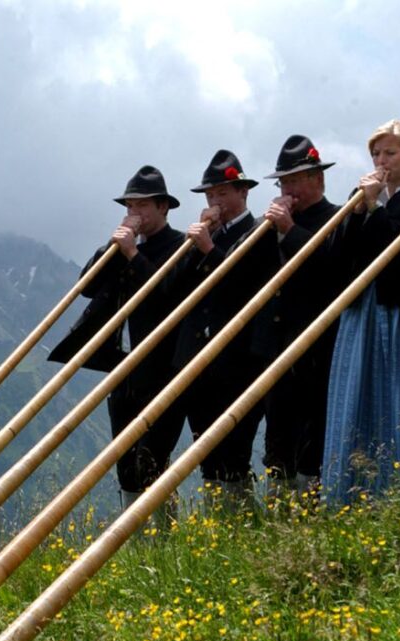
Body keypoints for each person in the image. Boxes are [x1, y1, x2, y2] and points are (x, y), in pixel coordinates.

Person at [48, 165, 187, 508]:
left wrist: (133, 254)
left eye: (141, 206)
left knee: (152, 459)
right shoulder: (122, 249)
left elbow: (165, 295)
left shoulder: (180, 246)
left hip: (162, 369)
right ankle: (137, 541)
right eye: (129, 206)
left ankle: (162, 537)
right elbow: (87, 287)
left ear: (163, 208)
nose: (134, 214)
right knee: (124, 460)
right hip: (123, 367)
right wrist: (109, 249)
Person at [321, 120, 400, 506]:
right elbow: (336, 255)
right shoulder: (362, 199)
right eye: (376, 153)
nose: (381, 160)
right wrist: (358, 209)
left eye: (390, 153)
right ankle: (354, 487)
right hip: (362, 312)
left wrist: (374, 207)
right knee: (356, 394)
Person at [169, 150, 273, 507]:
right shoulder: (200, 239)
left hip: (238, 361)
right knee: (207, 452)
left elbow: (242, 285)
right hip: (198, 360)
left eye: (223, 193)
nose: (216, 202)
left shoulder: (260, 229)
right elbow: (174, 288)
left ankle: (241, 523)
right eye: (211, 195)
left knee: (234, 451)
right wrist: (194, 247)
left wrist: (209, 248)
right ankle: (220, 527)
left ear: (243, 193)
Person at [252, 135, 349, 496]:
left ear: (318, 180)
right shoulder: (272, 225)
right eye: (284, 182)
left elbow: (329, 268)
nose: (289, 189)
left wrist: (289, 230)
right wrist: (271, 230)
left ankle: (311, 504)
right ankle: (280, 506)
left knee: (312, 429)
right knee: (277, 430)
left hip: (315, 346)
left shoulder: (336, 217)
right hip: (275, 345)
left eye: (296, 180)